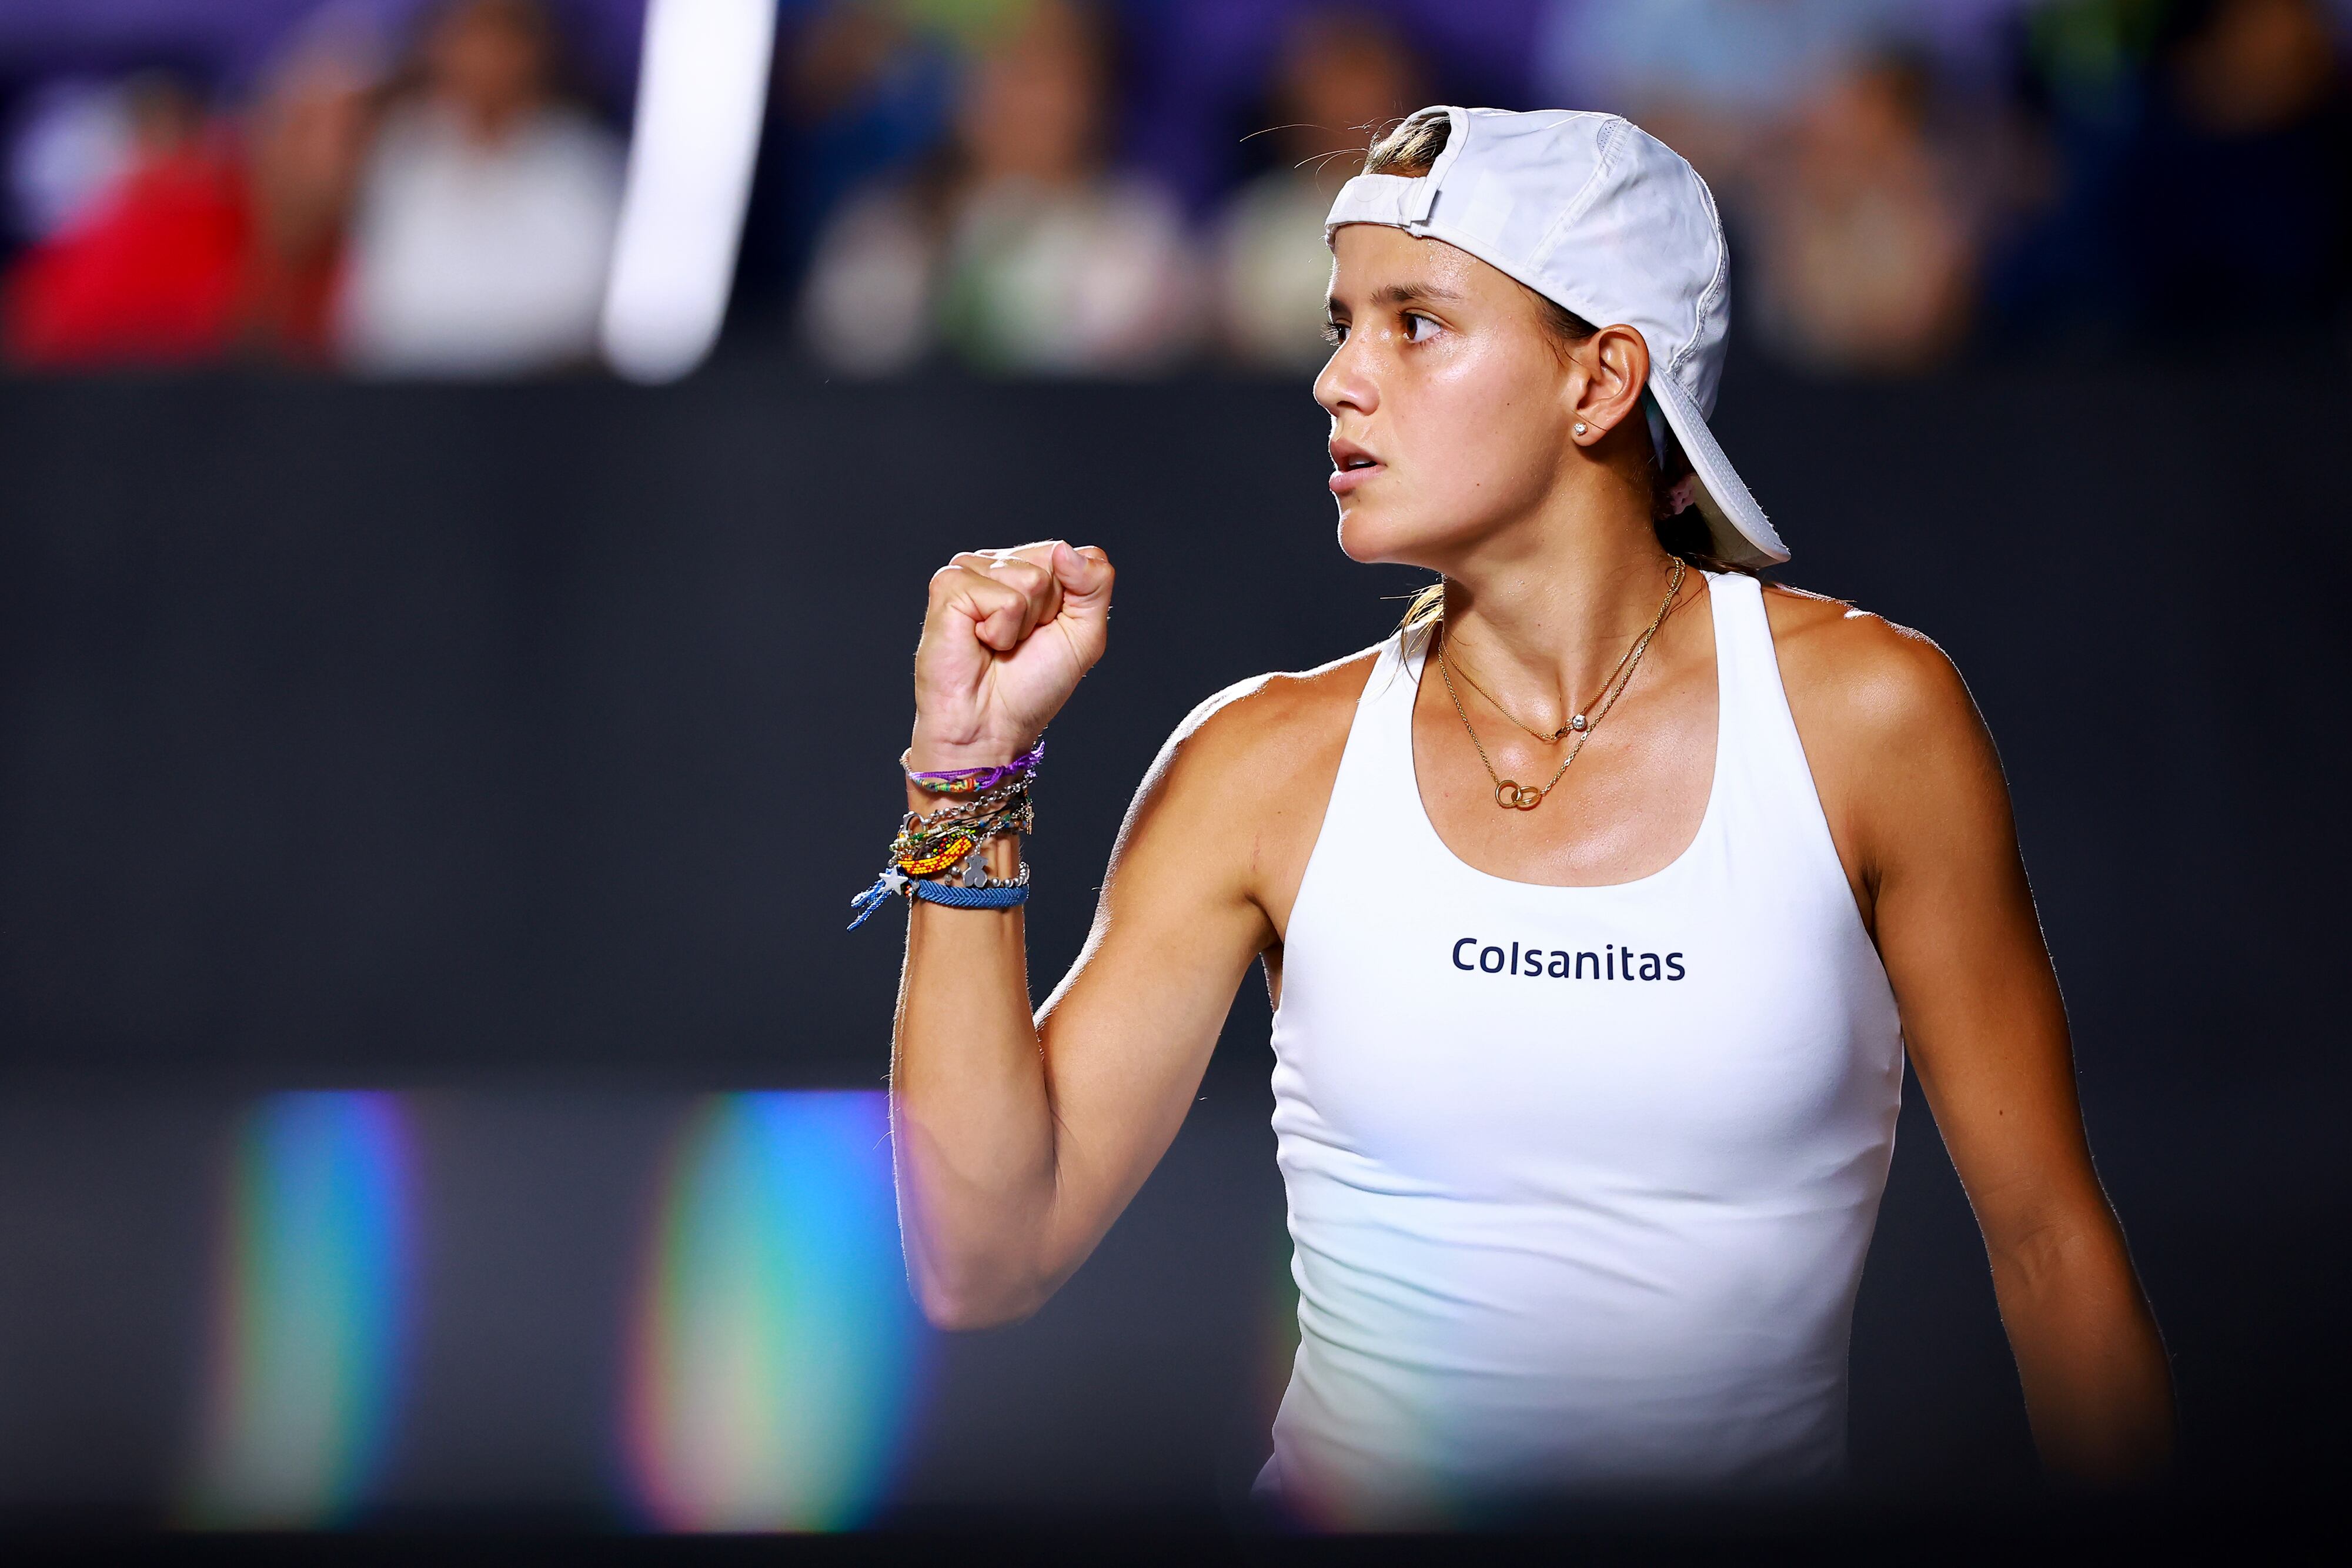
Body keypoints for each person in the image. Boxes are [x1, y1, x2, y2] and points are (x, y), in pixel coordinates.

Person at [872, 106, 2174, 1527]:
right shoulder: (1257, 764)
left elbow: (2047, 1246)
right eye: (1342, 325)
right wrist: (964, 774)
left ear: (1600, 379)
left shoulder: (1871, 718)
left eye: (1415, 324)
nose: (1335, 379)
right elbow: (980, 1256)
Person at [797, 0, 1195, 376]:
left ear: (1092, 96)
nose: (1025, 102)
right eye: (1005, 71)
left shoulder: (1136, 232)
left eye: (1048, 75)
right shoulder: (888, 231)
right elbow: (850, 347)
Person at [336, 0, 622, 377]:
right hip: (411, 396)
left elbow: (581, 321)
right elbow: (374, 315)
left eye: (505, 34)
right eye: (469, 34)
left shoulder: (585, 168)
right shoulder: (395, 158)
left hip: (547, 399)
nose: (486, 56)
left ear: (538, 49)